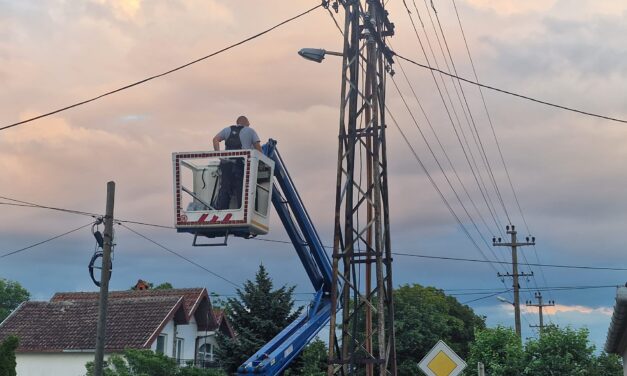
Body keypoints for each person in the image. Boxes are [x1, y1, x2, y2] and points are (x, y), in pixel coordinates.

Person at [212, 116, 262, 210]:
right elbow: (258, 148)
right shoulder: (250, 131)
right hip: (241, 165)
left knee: (225, 188)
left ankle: (222, 211)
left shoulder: (227, 130)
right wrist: (261, 163)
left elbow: (215, 139)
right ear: (246, 123)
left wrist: (219, 155)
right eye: (248, 123)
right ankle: (242, 210)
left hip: (226, 165)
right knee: (242, 188)